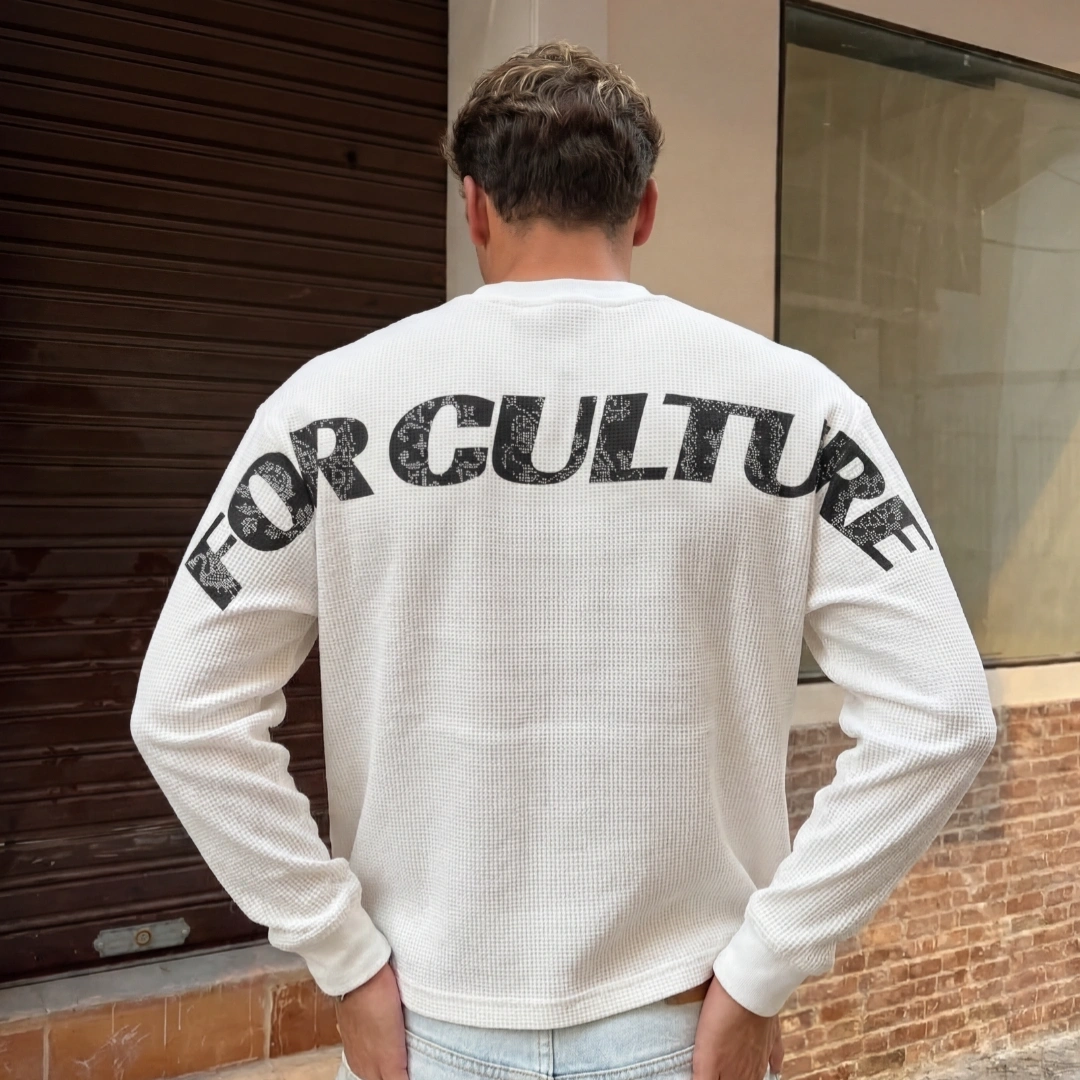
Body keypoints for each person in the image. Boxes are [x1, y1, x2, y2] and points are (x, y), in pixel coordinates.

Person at [131, 41, 997, 1080]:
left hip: (428, 1026)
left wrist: (344, 959)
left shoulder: (326, 407)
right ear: (644, 209)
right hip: (685, 1024)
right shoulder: (799, 405)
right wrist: (765, 970)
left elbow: (182, 711)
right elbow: (941, 718)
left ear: (474, 207)